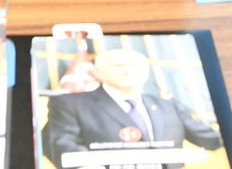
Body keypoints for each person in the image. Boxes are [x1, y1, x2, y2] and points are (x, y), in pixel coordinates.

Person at [40, 47, 222, 167]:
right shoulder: (70, 103)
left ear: (146, 73)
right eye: (119, 66)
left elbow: (211, 140)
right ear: (97, 72)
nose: (128, 70)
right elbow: (59, 143)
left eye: (136, 66)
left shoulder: (168, 105)